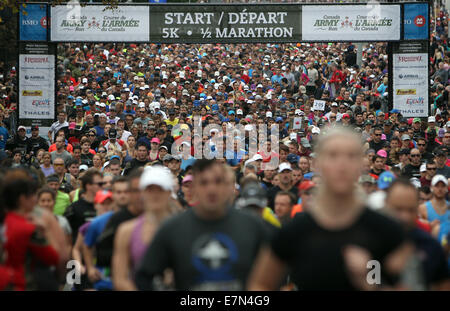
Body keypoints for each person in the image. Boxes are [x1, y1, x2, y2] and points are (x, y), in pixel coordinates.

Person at [248, 127, 412, 291]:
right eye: (333, 155)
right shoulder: (294, 231)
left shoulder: (386, 231)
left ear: (362, 165)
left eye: (351, 156)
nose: (342, 165)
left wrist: (370, 285)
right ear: (318, 164)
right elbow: (259, 284)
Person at [135, 159, 269, 290]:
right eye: (204, 183)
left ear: (228, 186)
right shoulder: (172, 228)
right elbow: (144, 276)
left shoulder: (252, 226)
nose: (211, 189)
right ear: (194, 188)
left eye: (218, 182)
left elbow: (275, 272)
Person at [113, 166, 173, 290]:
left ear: (168, 193)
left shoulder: (183, 228)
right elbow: (120, 279)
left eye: (160, 189)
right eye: (150, 190)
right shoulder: (126, 231)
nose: (155, 195)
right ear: (143, 192)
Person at [0, 169, 60, 290]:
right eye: (33, 195)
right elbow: (53, 257)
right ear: (22, 199)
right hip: (20, 283)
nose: (35, 199)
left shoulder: (5, 221)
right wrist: (46, 231)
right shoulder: (28, 228)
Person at [385, 179, 449, 290]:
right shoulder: (370, 242)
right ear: (386, 205)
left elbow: (443, 286)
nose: (405, 217)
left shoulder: (431, 246)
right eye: (398, 209)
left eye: (411, 210)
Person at [64, 169, 103, 242]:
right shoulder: (74, 208)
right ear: (88, 186)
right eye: (99, 184)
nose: (102, 186)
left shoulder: (105, 207)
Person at [418, 175, 450, 240]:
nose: (440, 189)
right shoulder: (422, 208)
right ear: (432, 188)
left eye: (443, 186)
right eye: (437, 186)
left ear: (446, 188)